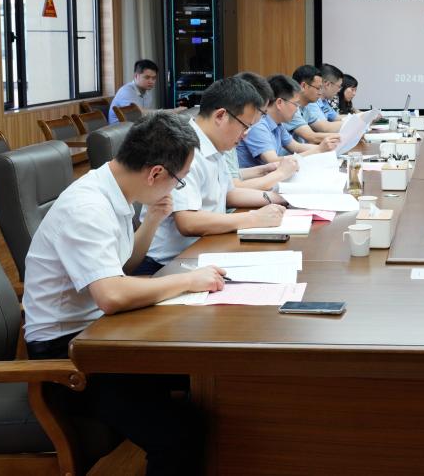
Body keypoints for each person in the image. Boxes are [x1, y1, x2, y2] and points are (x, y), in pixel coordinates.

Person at [23, 112, 226, 475]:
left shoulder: (114, 190)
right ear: (156, 173)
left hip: (101, 334)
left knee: (208, 380)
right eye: (179, 180)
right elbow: (112, 295)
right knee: (179, 432)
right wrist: (188, 281)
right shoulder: (88, 207)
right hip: (68, 359)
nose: (177, 189)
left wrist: (152, 220)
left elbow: (124, 265)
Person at [135, 77, 285, 275]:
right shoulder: (183, 147)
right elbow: (188, 222)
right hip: (166, 263)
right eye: (245, 126)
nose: (246, 134)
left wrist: (280, 198)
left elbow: (229, 193)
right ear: (221, 116)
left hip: (203, 249)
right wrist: (253, 218)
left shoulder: (214, 144)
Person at [237, 74, 339, 166]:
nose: (297, 109)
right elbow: (273, 161)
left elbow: (296, 147)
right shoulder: (258, 124)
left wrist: (327, 147)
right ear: (279, 103)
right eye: (295, 104)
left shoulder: (278, 124)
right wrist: (319, 150)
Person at [227, 71, 298, 194]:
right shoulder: (248, 128)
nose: (246, 133)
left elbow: (231, 176)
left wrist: (263, 170)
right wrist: (280, 173)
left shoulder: (232, 133)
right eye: (262, 112)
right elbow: (233, 190)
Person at [285, 65, 342, 138]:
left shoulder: (306, 107)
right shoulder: (291, 108)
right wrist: (344, 135)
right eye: (318, 88)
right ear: (303, 86)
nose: (320, 93)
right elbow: (312, 137)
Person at [108, 59, 158, 123]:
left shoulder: (147, 94)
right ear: (136, 76)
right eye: (147, 77)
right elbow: (137, 114)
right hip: (120, 128)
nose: (151, 81)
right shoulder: (126, 91)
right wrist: (165, 112)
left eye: (154, 78)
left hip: (136, 125)